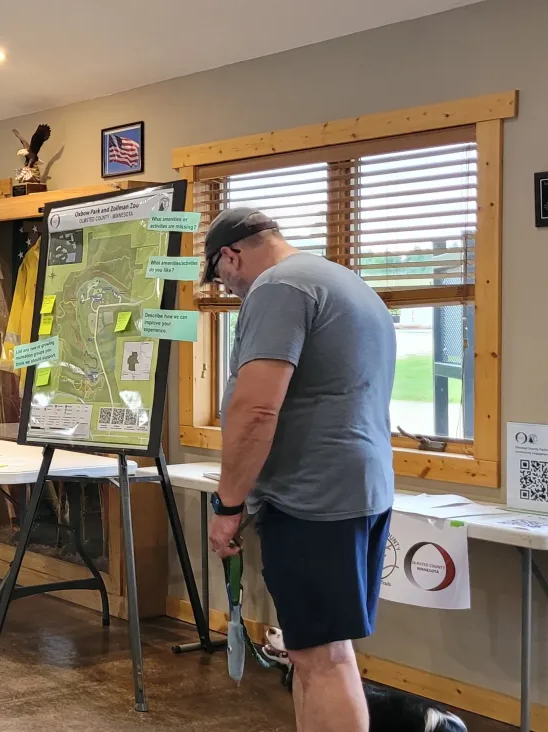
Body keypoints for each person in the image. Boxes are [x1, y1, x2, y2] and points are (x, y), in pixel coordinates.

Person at [203, 208, 395, 732]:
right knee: (323, 650)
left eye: (223, 279)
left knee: (319, 657)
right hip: (359, 489)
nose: (232, 290)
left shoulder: (278, 288)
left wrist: (228, 505)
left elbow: (257, 410)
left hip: (313, 500)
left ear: (230, 256)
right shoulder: (344, 282)